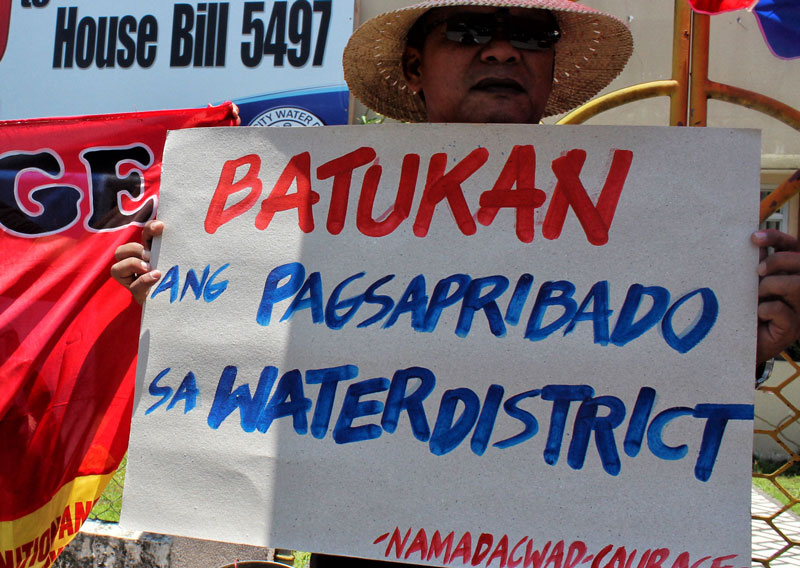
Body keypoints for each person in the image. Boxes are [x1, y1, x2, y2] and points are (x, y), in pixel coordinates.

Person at [111, 0, 800, 564]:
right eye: (468, 32)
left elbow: (645, 388)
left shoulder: (652, 221)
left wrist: (745, 342)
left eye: (529, 34)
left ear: (549, 62)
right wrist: (189, 319)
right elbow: (265, 374)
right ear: (415, 66)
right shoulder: (317, 209)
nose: (502, 52)